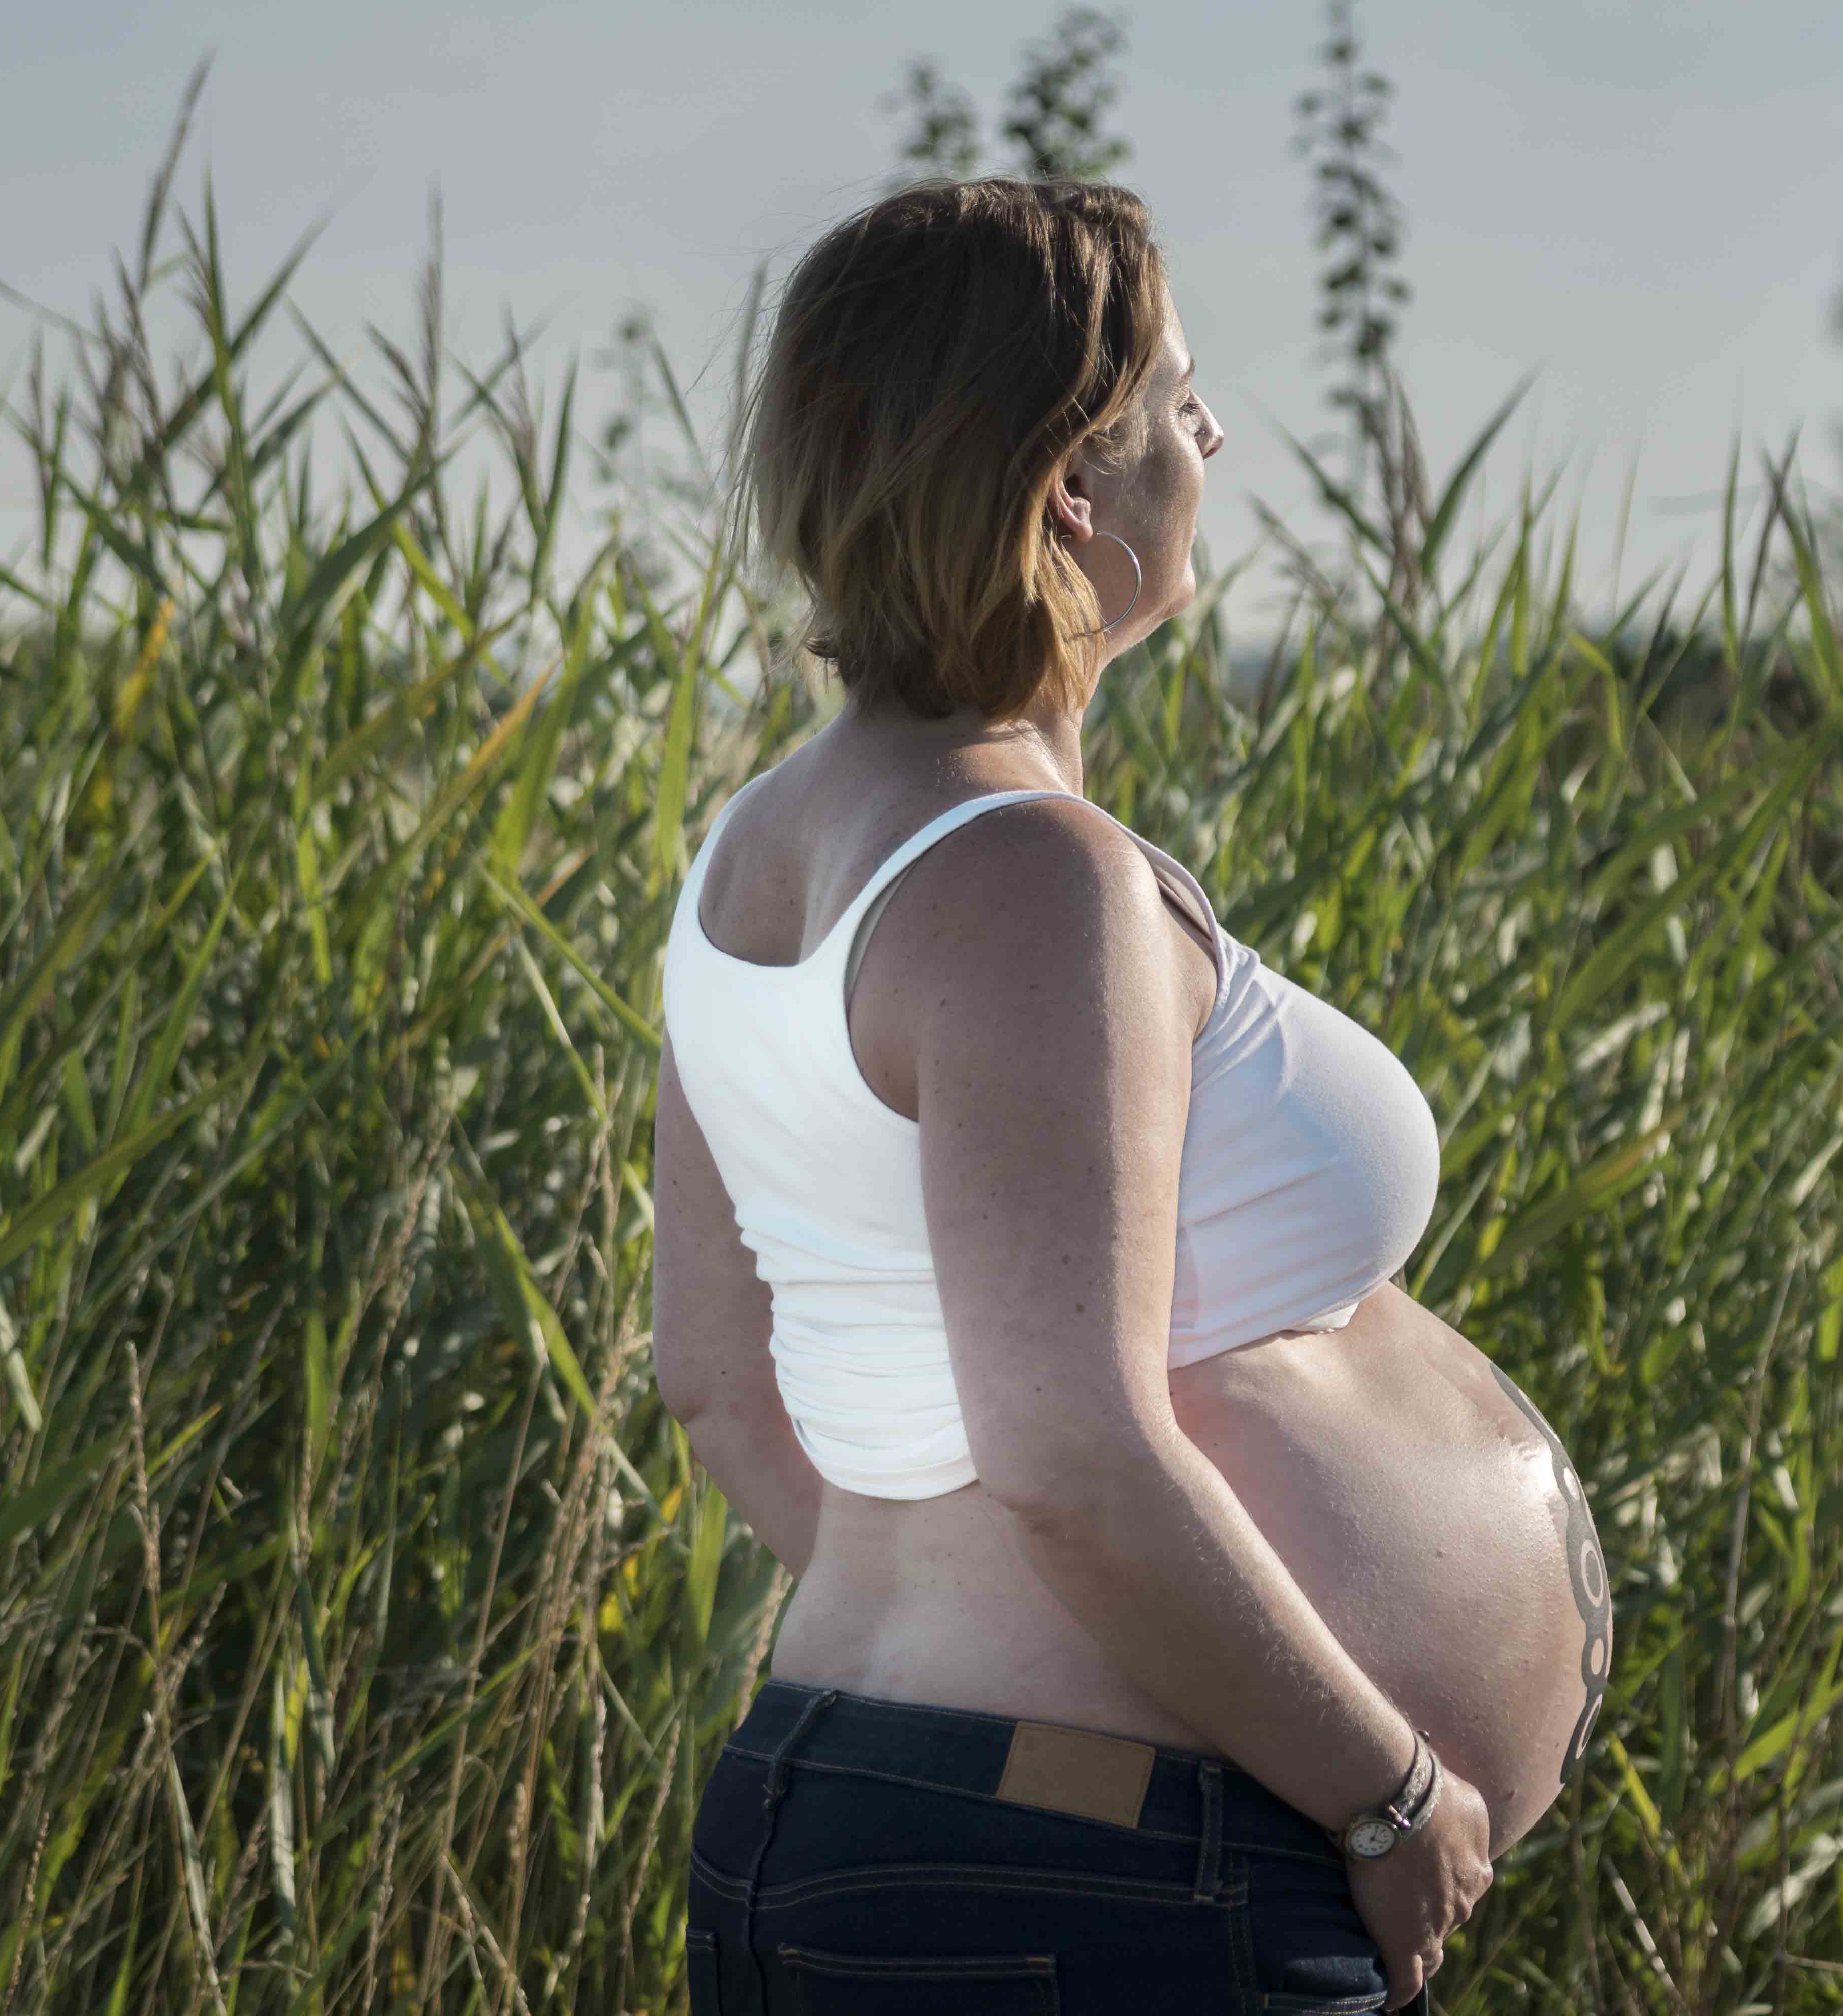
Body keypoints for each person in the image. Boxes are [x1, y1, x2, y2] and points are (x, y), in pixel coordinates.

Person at [654, 176, 1610, 2014]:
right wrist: (1386, 1788)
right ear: (1070, 492)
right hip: (1088, 1871)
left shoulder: (751, 857)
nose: (1215, 431)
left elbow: (714, 1371)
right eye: (1178, 396)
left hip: (903, 1812)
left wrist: (940, 1659)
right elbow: (1074, 1454)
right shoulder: (1026, 877)